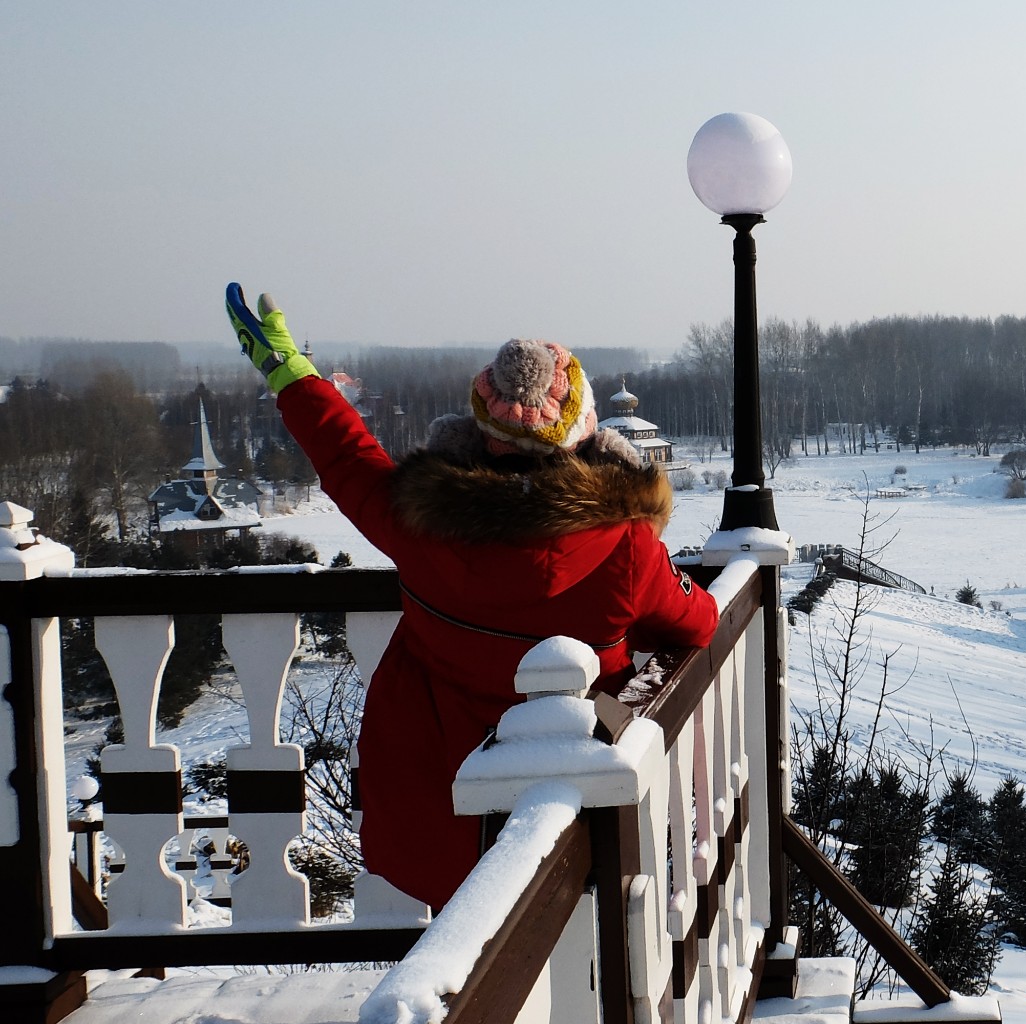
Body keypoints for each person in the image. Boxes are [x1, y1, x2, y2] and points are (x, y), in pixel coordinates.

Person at [227, 284, 717, 908]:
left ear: (479, 433)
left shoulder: (423, 523)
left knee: (472, 951)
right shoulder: (623, 546)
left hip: (444, 803)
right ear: (584, 436)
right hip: (574, 806)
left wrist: (290, 371)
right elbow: (697, 621)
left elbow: (346, 456)